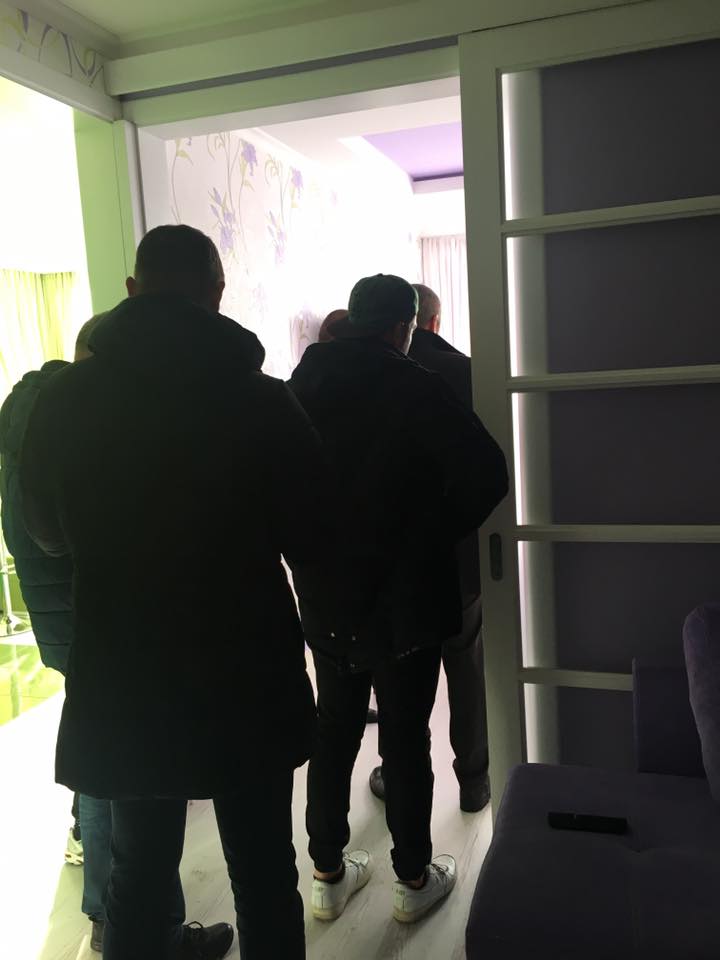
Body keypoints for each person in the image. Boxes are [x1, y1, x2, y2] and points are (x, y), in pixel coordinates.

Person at [21, 225, 322, 960]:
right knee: (263, 872)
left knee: (138, 876)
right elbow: (315, 539)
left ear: (132, 289)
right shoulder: (265, 401)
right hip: (245, 671)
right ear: (217, 293)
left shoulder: (64, 401)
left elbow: (45, 535)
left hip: (125, 670)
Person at [289, 274, 508, 925]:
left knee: (334, 728)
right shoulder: (416, 385)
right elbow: (488, 473)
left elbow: (276, 487)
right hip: (406, 600)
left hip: (326, 595)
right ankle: (412, 879)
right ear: (404, 327)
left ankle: (327, 874)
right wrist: (429, 535)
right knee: (406, 737)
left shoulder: (300, 386)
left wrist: (308, 554)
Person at [0, 315, 113, 952]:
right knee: (107, 766)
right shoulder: (74, 421)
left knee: (96, 744)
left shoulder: (26, 417)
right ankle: (107, 914)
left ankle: (87, 850)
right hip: (87, 609)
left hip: (55, 610)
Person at [368, 282, 493, 813]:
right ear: (430, 322)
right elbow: (489, 468)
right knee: (466, 667)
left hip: (392, 560)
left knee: (400, 679)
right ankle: (475, 781)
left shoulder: (367, 376)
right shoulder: (468, 373)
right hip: (459, 554)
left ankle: (398, 776)